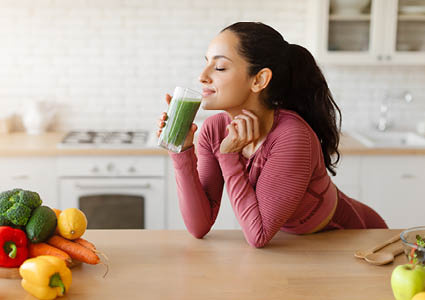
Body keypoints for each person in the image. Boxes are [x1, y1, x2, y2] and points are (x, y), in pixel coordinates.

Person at [157, 22, 388, 248]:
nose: (202, 76)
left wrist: (229, 156)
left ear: (259, 80)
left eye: (219, 68)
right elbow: (199, 227)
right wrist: (183, 150)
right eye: (206, 63)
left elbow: (258, 236)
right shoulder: (213, 130)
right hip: (298, 247)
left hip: (353, 237)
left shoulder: (293, 136)